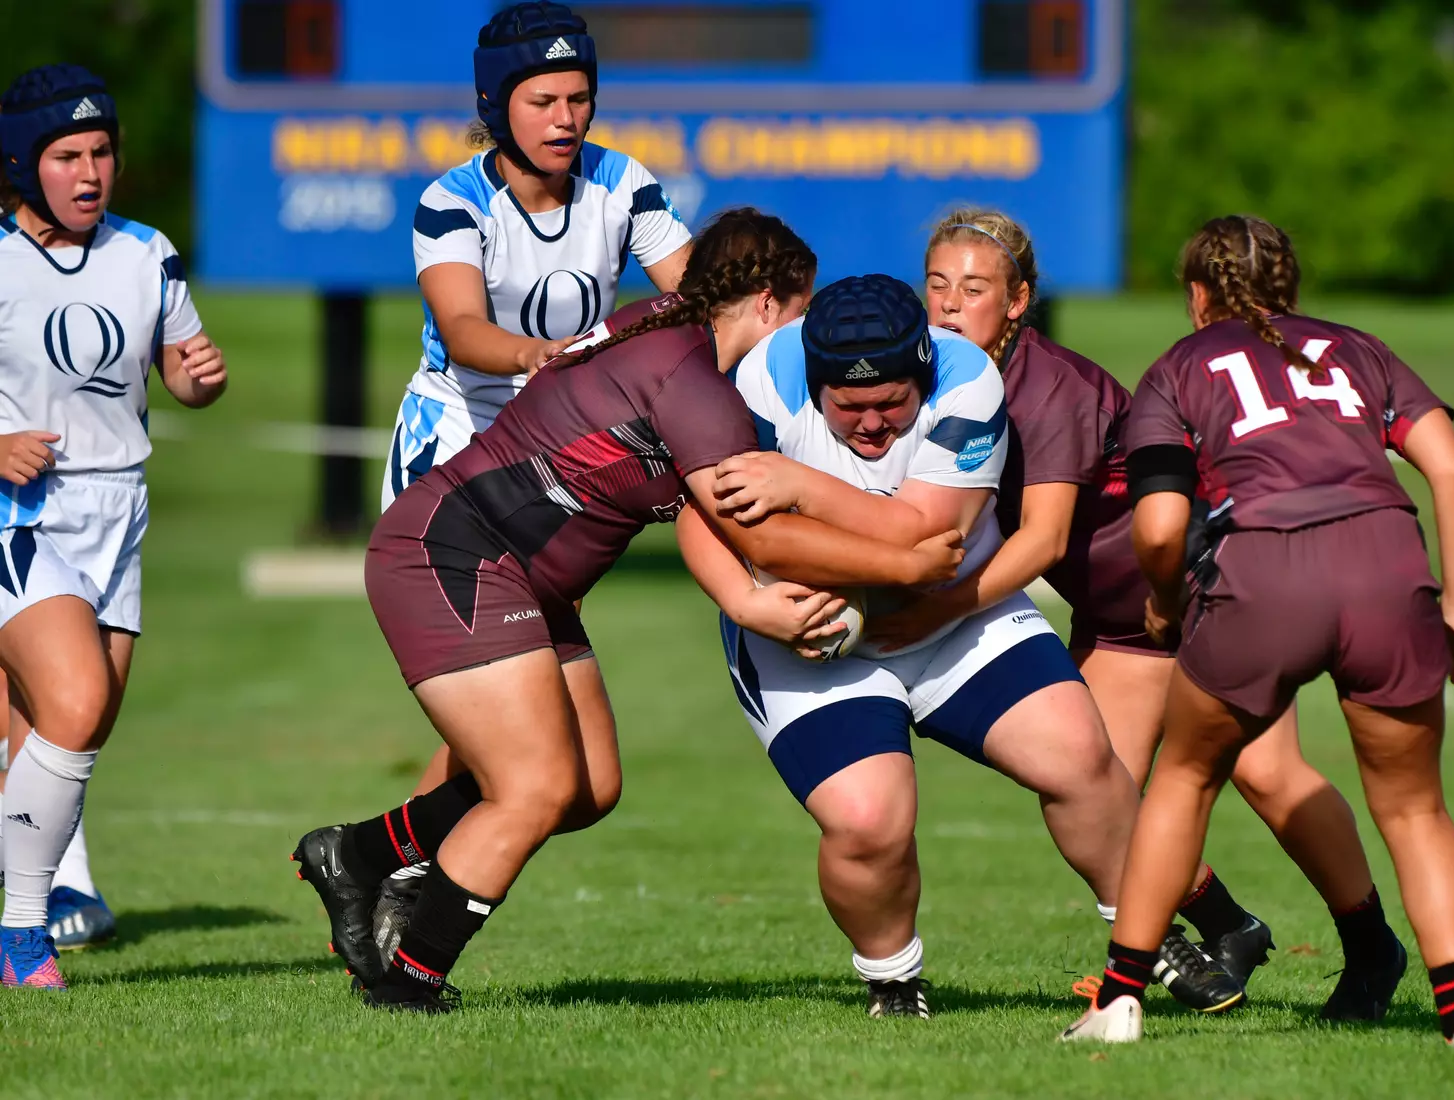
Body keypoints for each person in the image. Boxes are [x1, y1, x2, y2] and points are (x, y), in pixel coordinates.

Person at [293, 215, 967, 1013]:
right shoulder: (692, 381)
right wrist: (910, 562)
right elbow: (766, 537)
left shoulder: (662, 326)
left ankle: (363, 853)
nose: (803, 337)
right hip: (455, 556)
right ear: (762, 300)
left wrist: (757, 591)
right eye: (801, 309)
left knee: (589, 787)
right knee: (536, 787)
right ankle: (410, 986)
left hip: (523, 580)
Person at [879, 208, 1400, 1015]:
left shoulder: (1050, 387)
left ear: (1017, 302)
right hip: (1118, 623)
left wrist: (931, 614)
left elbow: (1043, 543)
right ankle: (1225, 928)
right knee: (1086, 786)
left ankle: (1372, 949)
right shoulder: (930, 380)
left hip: (1195, 594)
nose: (948, 306)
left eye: (973, 289)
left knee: (1267, 774)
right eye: (937, 285)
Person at [1065, 215, 1454, 1048]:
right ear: (1291, 287)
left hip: (1264, 576)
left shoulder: (1178, 368)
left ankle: (1118, 1000)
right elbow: (1449, 467)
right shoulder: (1359, 349)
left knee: (1185, 779)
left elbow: (1158, 529)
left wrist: (1164, 601)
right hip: (1386, 566)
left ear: (1197, 295)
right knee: (1415, 809)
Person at [682, 274, 1145, 1019]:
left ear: (924, 372)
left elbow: (923, 535)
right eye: (849, 407)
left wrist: (798, 482)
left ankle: (1143, 944)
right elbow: (702, 517)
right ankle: (894, 981)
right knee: (869, 820)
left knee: (1080, 754)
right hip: (805, 630)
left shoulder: (967, 379)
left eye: (891, 404)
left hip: (954, 614)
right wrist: (748, 603)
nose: (872, 425)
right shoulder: (762, 383)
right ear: (813, 384)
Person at [0, 64, 227, 987]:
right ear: (24, 164)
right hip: (21, 517)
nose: (90, 172)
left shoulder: (147, 252)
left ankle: (25, 909)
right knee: (76, 702)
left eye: (101, 153)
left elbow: (180, 369)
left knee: (63, 735)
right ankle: (23, 934)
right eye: (66, 156)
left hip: (119, 515)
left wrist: (199, 380)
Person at [382, 0, 693, 507]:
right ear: (494, 102)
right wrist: (534, 354)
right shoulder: (453, 202)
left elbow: (698, 296)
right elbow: (461, 328)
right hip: (460, 434)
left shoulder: (622, 181)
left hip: (566, 436)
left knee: (549, 592)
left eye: (580, 99)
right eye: (543, 101)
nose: (565, 119)